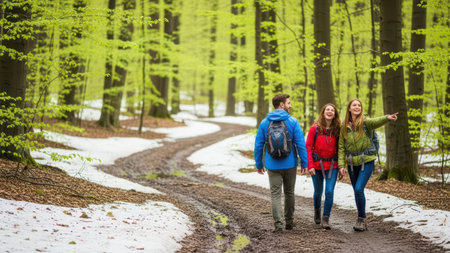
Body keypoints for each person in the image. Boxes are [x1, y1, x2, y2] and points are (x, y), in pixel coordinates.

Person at [338, 98, 398, 231]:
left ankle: (361, 219)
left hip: (367, 161)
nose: (357, 107)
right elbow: (341, 147)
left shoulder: (366, 122)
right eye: (354, 105)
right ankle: (361, 218)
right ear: (349, 108)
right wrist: (341, 166)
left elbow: (376, 121)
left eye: (359, 105)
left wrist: (387, 117)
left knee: (359, 189)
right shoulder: (344, 126)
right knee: (357, 191)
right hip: (352, 163)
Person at [254, 94, 308, 233]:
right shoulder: (293, 121)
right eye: (288, 103)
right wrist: (304, 163)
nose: (290, 106)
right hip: (290, 164)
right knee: (289, 192)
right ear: (282, 105)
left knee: (275, 194)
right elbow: (301, 144)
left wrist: (259, 164)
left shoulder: (265, 122)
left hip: (272, 165)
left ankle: (278, 225)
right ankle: (289, 222)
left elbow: (258, 146)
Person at [306, 103, 344, 229]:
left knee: (329, 192)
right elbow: (308, 147)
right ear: (323, 112)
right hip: (316, 165)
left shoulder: (338, 130)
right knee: (318, 192)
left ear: (335, 114)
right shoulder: (314, 129)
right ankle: (317, 209)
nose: (330, 111)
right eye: (327, 109)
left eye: (332, 110)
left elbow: (341, 149)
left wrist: (341, 166)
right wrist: (309, 165)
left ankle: (325, 218)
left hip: (332, 166)